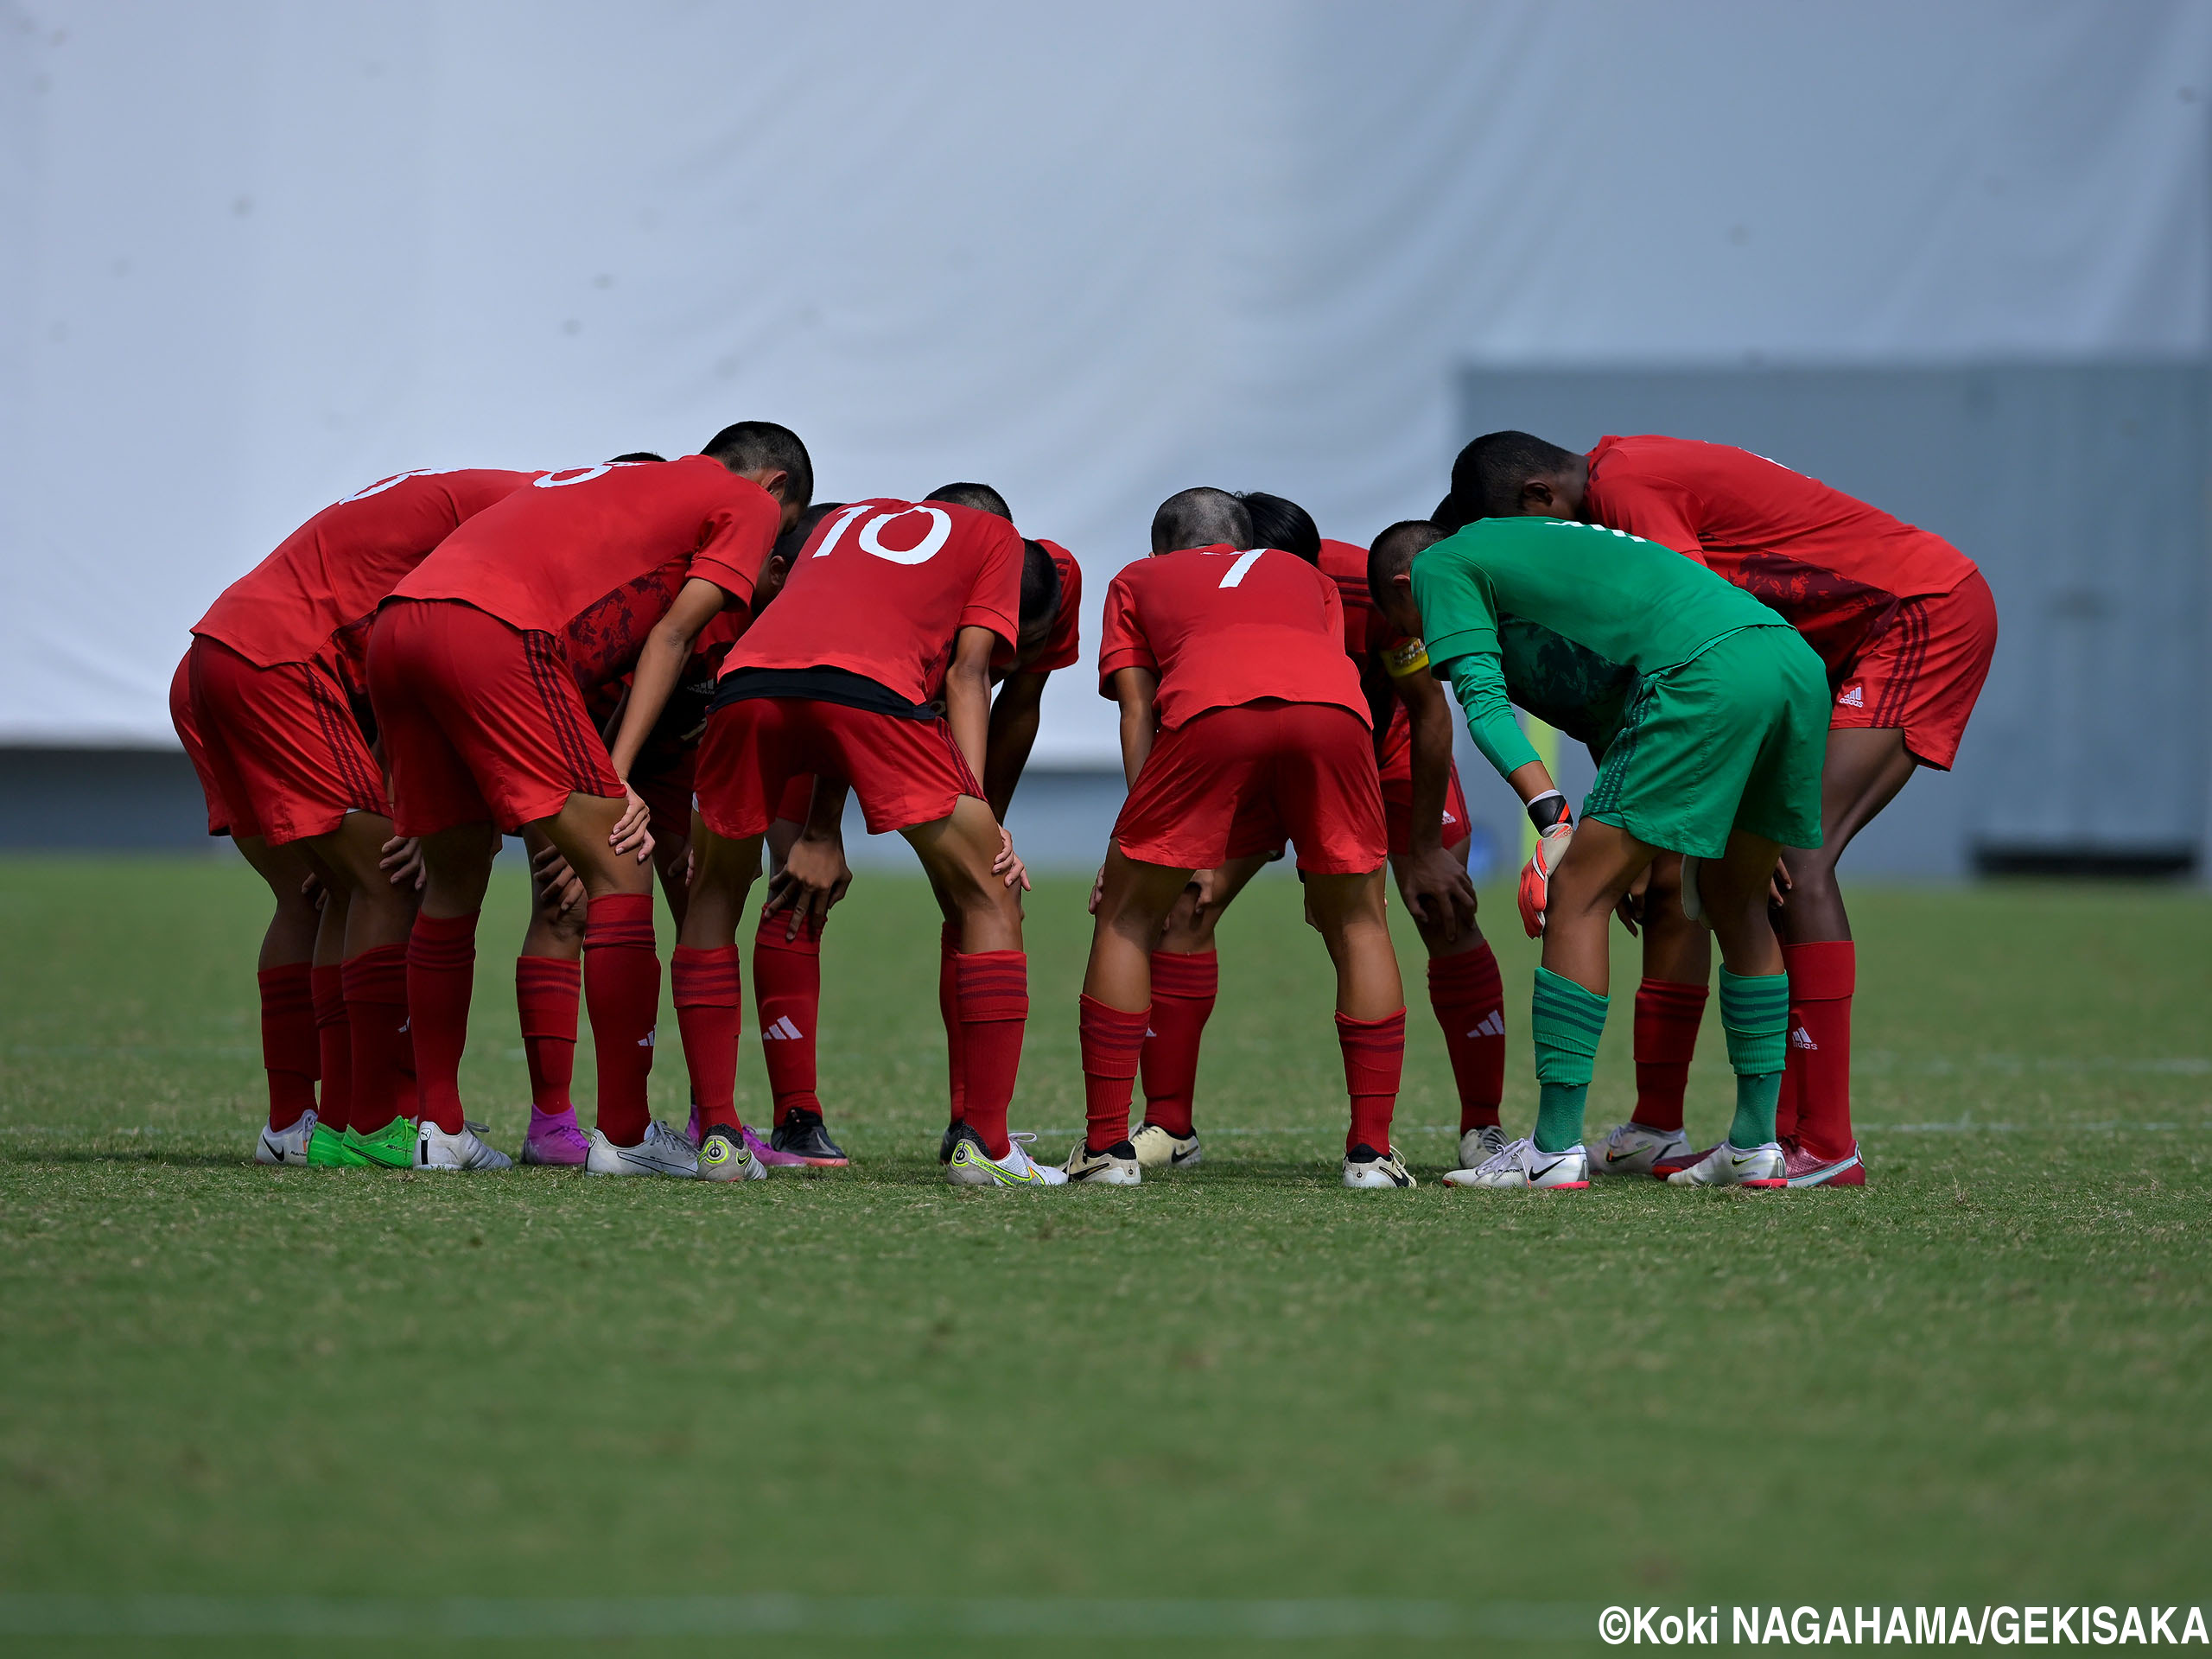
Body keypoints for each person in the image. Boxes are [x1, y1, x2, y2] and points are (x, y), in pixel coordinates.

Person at [1443, 432, 1999, 1185]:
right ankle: (1718, 1135)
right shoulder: (1616, 488)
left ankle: (1824, 1145)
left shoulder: (1625, 484)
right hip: (1806, 650)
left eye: (1533, 524)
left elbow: (1698, 626)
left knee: (1794, 865)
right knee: (1719, 884)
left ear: (1541, 498)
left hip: (1915, 612)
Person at [368, 423, 807, 1176]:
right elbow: (672, 635)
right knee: (622, 865)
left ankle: (436, 1128)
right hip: (496, 629)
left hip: (400, 625)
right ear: (772, 487)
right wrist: (617, 775)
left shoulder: (607, 479)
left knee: (452, 876)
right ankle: (628, 1137)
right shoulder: (747, 500)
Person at [1370, 511, 1828, 1191]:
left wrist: (1554, 820)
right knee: (1738, 902)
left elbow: (1486, 706)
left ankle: (1553, 1149)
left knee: (1577, 891)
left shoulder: (1439, 566)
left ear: (1407, 584)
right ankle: (1754, 1144)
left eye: (1411, 623)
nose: (1423, 641)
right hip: (1791, 664)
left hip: (1704, 675)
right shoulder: (1537, 552)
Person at [1112, 493, 1501, 1176]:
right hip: (1256, 749)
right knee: (1184, 905)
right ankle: (1169, 1125)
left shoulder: (1358, 584)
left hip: (1382, 754)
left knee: (1439, 911)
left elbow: (1429, 713)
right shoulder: (1191, 593)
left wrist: (1423, 846)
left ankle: (1482, 1129)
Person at [677, 490, 1055, 1187]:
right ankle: (991, 1150)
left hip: (748, 683)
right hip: (871, 692)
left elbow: (822, 638)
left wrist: (824, 826)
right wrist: (979, 814)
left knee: (713, 893)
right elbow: (968, 673)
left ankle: (719, 1138)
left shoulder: (852, 516)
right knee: (993, 890)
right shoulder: (997, 539)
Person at [174, 464, 540, 1167]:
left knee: (317, 891)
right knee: (384, 879)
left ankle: (305, 1126)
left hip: (212, 658)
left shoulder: (497, 493)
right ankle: (373, 1125)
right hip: (280, 660)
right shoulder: (531, 517)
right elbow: (460, 658)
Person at [1079, 488, 1411, 1189]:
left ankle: (1108, 1150)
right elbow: (1305, 684)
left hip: (1212, 715)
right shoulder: (1310, 577)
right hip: (1336, 717)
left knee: (1129, 915)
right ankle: (1372, 1156)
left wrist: (1143, 832)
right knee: (1358, 921)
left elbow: (1139, 710)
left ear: (1163, 546)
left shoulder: (1137, 579)